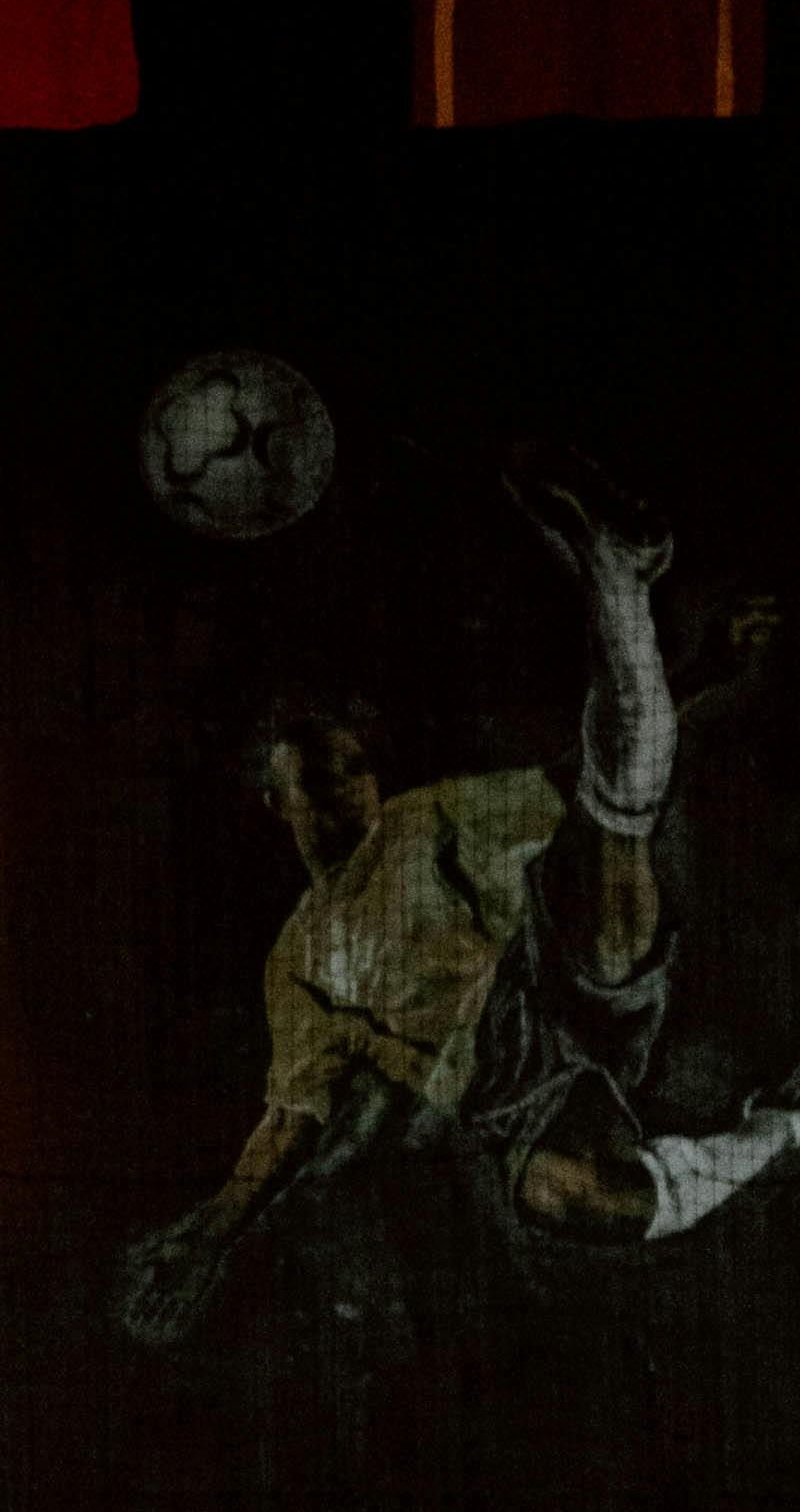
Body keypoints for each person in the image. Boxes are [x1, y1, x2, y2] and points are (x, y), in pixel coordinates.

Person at [120, 455, 800, 1341]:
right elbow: (289, 1123)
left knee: (612, 843)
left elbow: (574, 776)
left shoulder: (426, 820)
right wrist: (210, 1234)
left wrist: (700, 668)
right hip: (508, 1093)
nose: (345, 793)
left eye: (355, 771)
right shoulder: (297, 962)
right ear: (277, 804)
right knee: (576, 1198)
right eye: (319, 784)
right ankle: (788, 1125)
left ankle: (618, 577)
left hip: (550, 980)